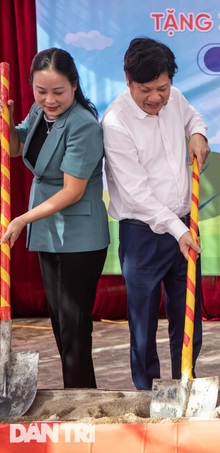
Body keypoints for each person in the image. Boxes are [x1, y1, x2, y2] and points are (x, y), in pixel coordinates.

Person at [101, 37, 209, 391]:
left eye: (162, 88)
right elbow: (138, 194)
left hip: (182, 224)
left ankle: (185, 385)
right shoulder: (116, 123)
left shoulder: (174, 98)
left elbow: (192, 115)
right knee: (143, 323)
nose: (155, 97)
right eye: (145, 89)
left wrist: (197, 133)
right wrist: (179, 231)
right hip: (142, 234)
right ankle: (147, 392)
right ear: (127, 80)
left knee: (188, 316)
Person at [0, 48, 109, 388]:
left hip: (79, 234)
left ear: (74, 86)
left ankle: (81, 396)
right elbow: (16, 149)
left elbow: (72, 191)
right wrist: (7, 118)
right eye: (40, 91)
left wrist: (21, 219)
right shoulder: (39, 112)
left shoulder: (84, 126)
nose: (49, 99)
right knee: (60, 322)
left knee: (74, 324)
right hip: (49, 229)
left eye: (58, 92)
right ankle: (76, 391)